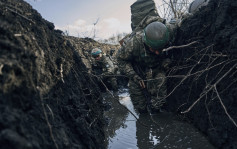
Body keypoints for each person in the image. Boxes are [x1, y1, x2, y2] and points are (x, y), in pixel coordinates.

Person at [116, 13, 178, 114]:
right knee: (140, 107)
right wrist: (134, 76)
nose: (158, 52)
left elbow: (181, 22)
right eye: (154, 49)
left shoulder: (170, 31)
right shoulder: (133, 44)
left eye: (160, 49)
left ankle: (156, 111)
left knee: (160, 92)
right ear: (146, 43)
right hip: (138, 70)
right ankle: (144, 114)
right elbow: (120, 60)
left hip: (157, 68)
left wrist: (166, 61)